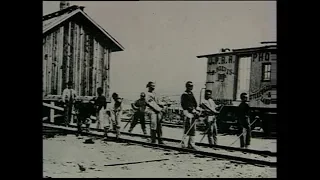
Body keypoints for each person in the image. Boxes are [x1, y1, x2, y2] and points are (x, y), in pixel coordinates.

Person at [180, 81, 200, 150]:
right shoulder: (184, 94)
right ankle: (184, 144)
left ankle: (191, 144)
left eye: (191, 86)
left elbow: (195, 103)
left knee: (193, 129)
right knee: (187, 128)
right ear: (186, 86)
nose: (191, 87)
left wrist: (196, 110)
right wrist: (192, 110)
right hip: (187, 112)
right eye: (189, 86)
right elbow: (184, 105)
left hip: (192, 112)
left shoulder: (191, 94)